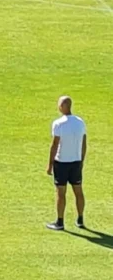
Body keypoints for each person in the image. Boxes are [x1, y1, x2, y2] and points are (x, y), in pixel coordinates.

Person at [46, 95, 87, 231]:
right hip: (76, 162)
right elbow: (84, 143)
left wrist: (50, 164)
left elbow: (54, 145)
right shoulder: (80, 122)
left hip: (62, 162)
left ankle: (60, 222)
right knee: (78, 191)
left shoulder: (58, 124)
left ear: (63, 106)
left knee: (60, 192)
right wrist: (81, 160)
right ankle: (80, 219)